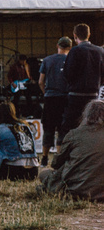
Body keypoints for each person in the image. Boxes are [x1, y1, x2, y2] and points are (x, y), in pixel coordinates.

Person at [39, 99, 104, 201]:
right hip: (101, 192)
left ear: (86, 115)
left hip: (76, 190)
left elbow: (56, 163)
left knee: (43, 173)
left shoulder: (75, 134)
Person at [60, 23, 104, 138]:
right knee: (92, 126)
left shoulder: (74, 51)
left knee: (70, 127)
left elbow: (67, 74)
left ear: (75, 36)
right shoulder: (100, 51)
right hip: (93, 95)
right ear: (89, 34)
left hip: (75, 95)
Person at [37, 37, 71, 166]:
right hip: (65, 98)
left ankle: (44, 158)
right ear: (70, 47)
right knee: (62, 130)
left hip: (50, 98)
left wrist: (46, 93)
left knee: (48, 129)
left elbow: (41, 81)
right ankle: (59, 159)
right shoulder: (71, 60)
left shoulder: (47, 60)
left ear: (57, 45)